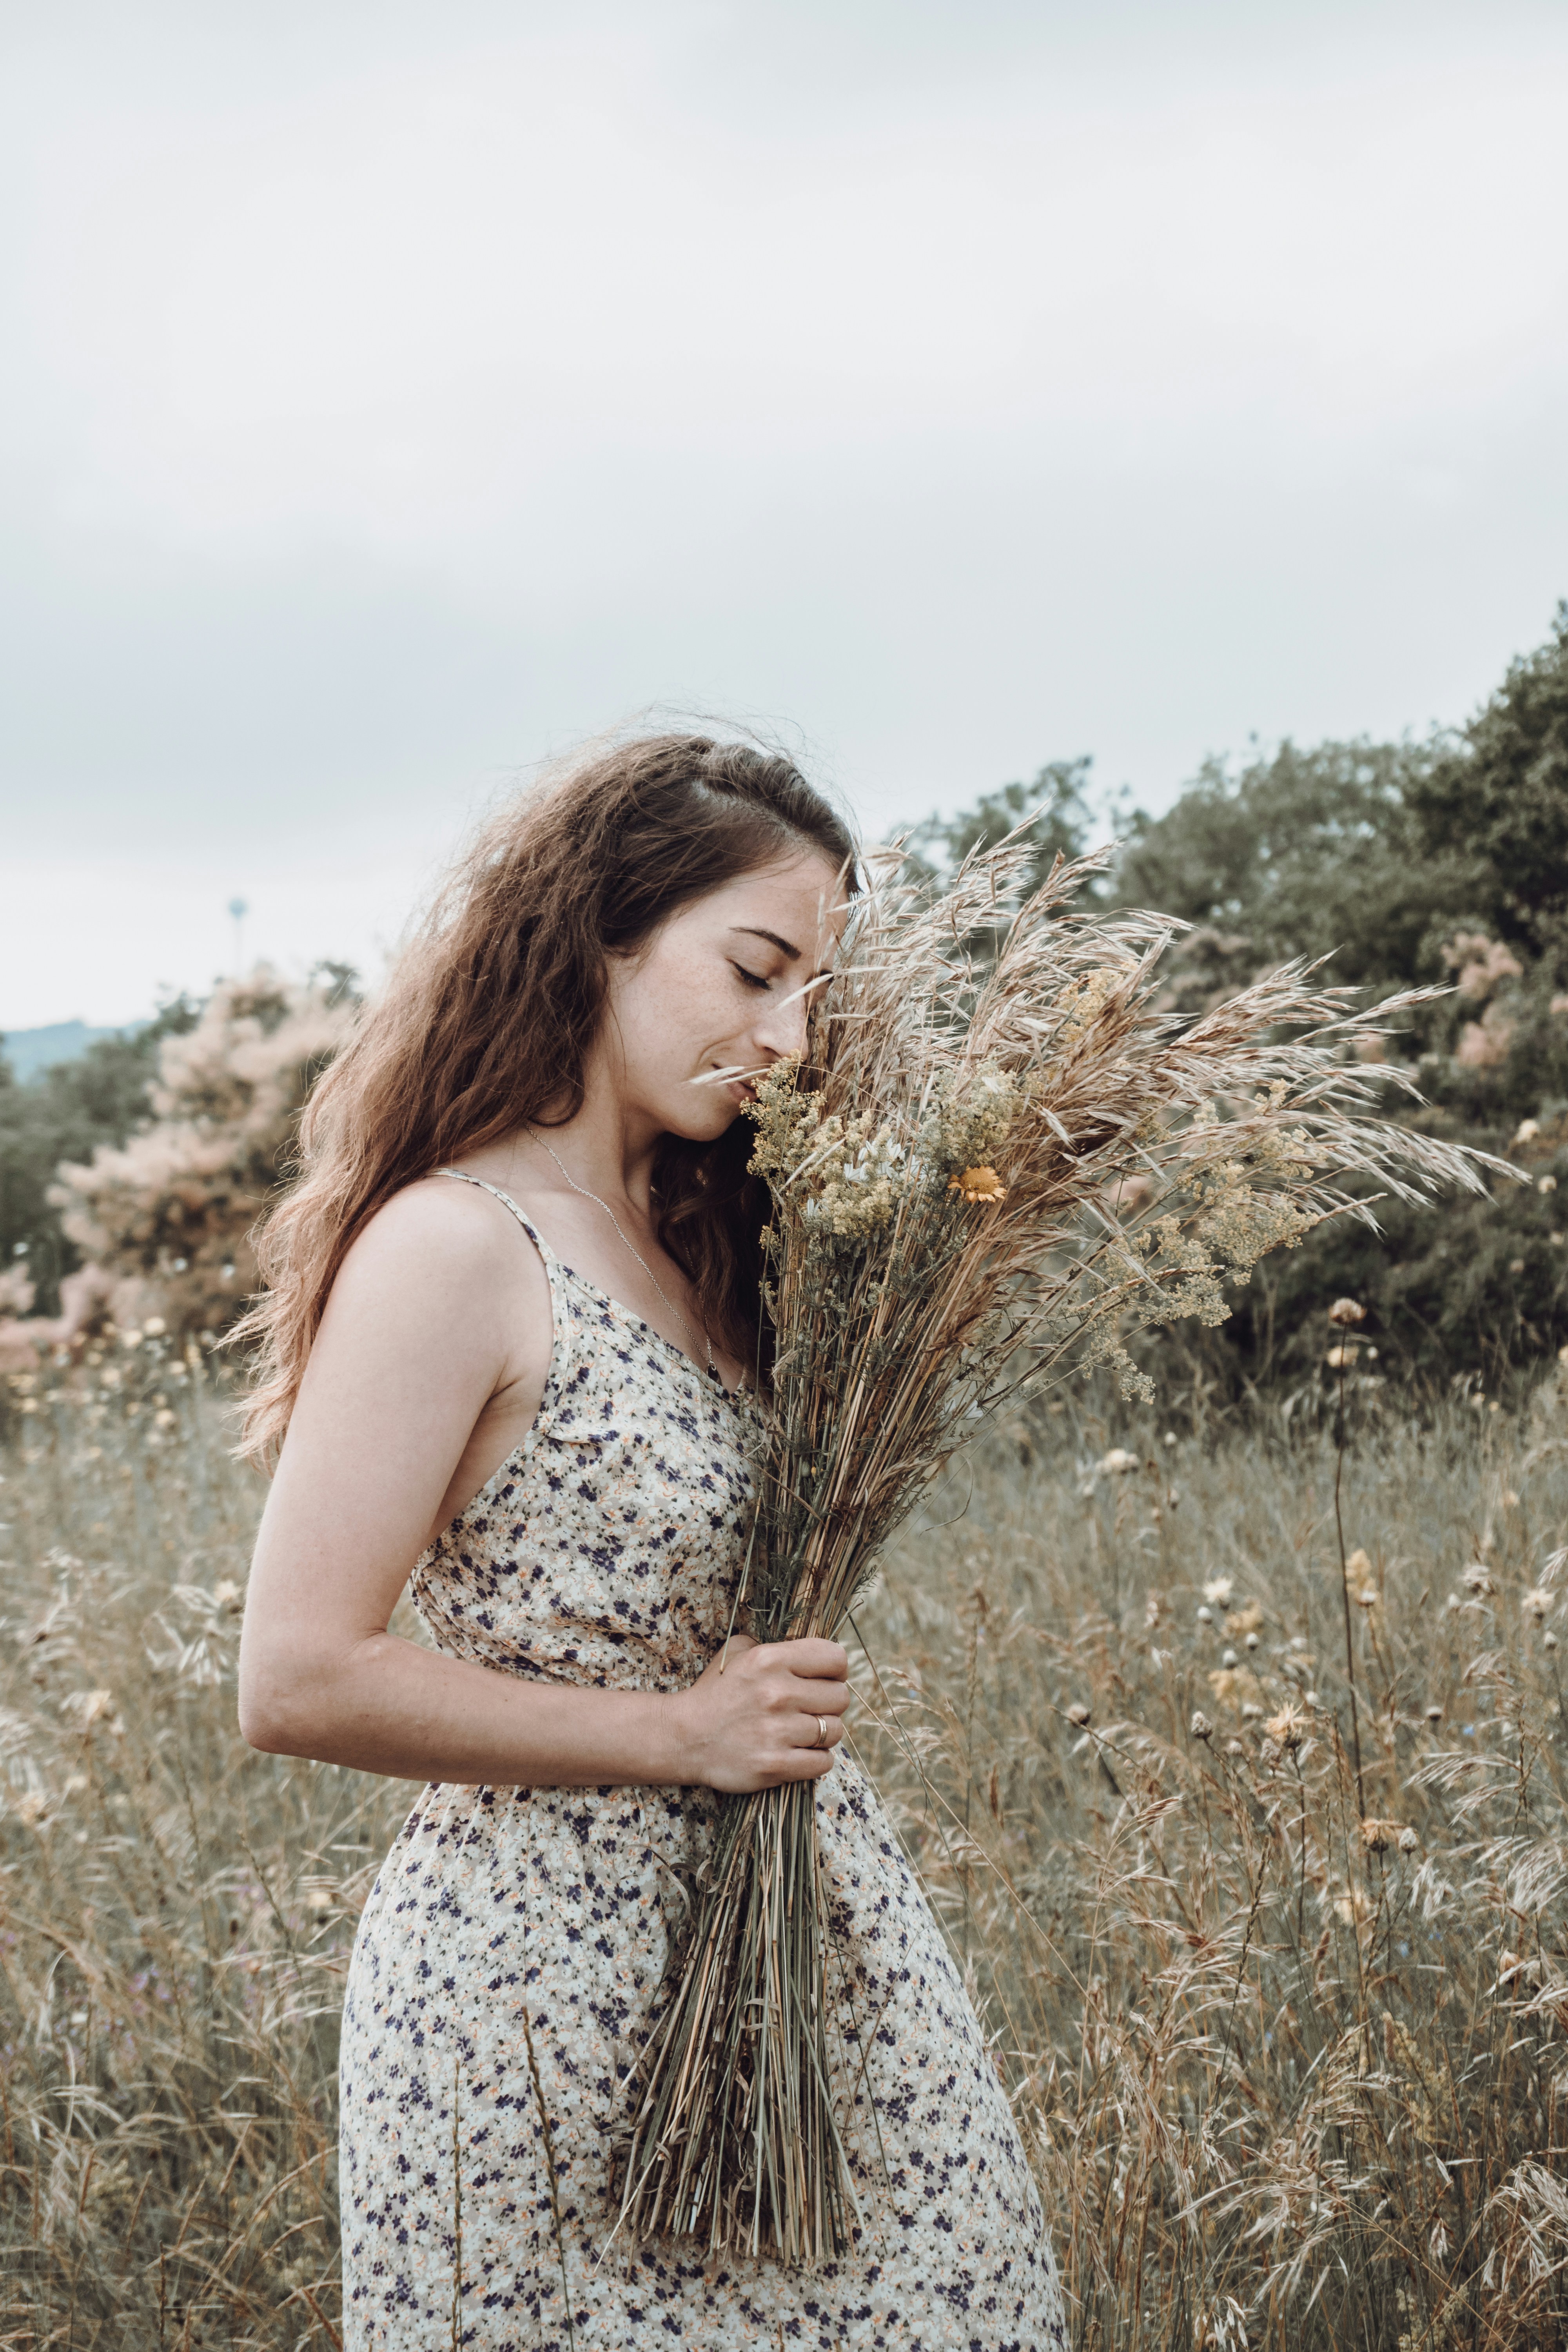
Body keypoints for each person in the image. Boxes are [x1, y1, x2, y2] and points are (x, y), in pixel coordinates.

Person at [236, 735, 1067, 2349]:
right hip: (545, 1993)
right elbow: (296, 1676)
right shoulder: (451, 1248)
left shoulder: (708, 1240)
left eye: (813, 993)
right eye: (753, 970)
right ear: (599, 934)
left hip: (802, 1949)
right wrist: (682, 1735)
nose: (787, 1035)